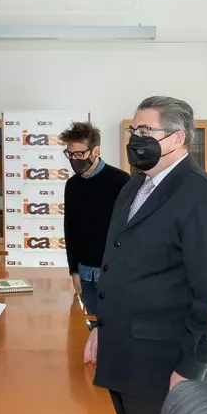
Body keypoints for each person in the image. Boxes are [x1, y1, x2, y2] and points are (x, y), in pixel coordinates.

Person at [86, 96, 207, 414]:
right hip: (122, 355)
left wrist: (190, 369)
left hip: (166, 368)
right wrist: (101, 329)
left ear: (177, 138)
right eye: (133, 130)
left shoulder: (204, 197)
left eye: (146, 130)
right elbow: (122, 267)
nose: (135, 138)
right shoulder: (134, 186)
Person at [60, 121, 130, 316]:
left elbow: (130, 233)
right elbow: (70, 229)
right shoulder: (72, 185)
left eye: (79, 154)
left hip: (113, 275)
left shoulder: (121, 181)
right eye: (70, 154)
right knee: (91, 332)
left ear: (95, 151)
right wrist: (73, 270)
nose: (74, 159)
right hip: (84, 275)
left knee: (114, 333)